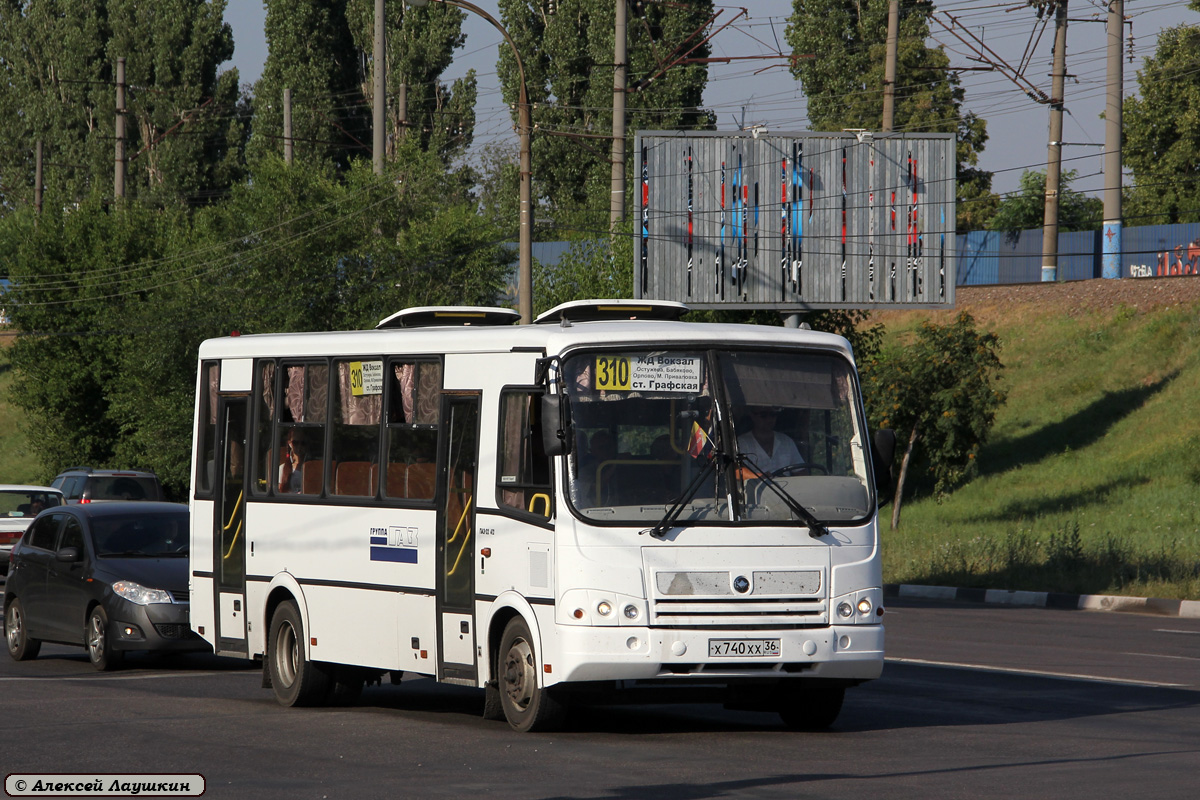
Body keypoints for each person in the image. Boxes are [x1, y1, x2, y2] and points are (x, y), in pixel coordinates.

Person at [737, 406, 804, 474]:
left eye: (773, 415)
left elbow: (801, 471)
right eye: (763, 415)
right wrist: (759, 477)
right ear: (752, 416)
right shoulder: (742, 443)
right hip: (757, 484)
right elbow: (737, 472)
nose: (769, 419)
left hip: (786, 484)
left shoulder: (786, 441)